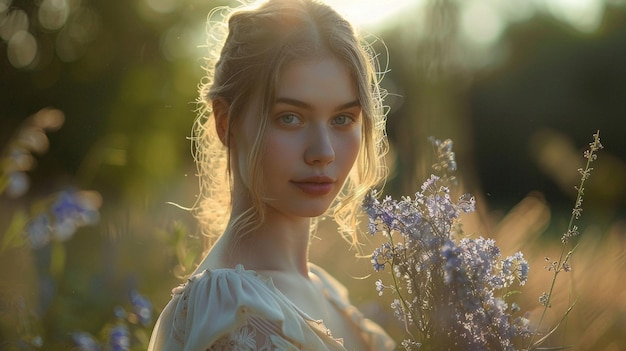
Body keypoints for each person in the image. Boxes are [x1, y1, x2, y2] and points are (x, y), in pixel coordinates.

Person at [148, 0, 395, 350]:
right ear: (226, 124)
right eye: (290, 117)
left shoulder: (324, 289)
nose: (323, 152)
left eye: (343, 119)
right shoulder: (232, 311)